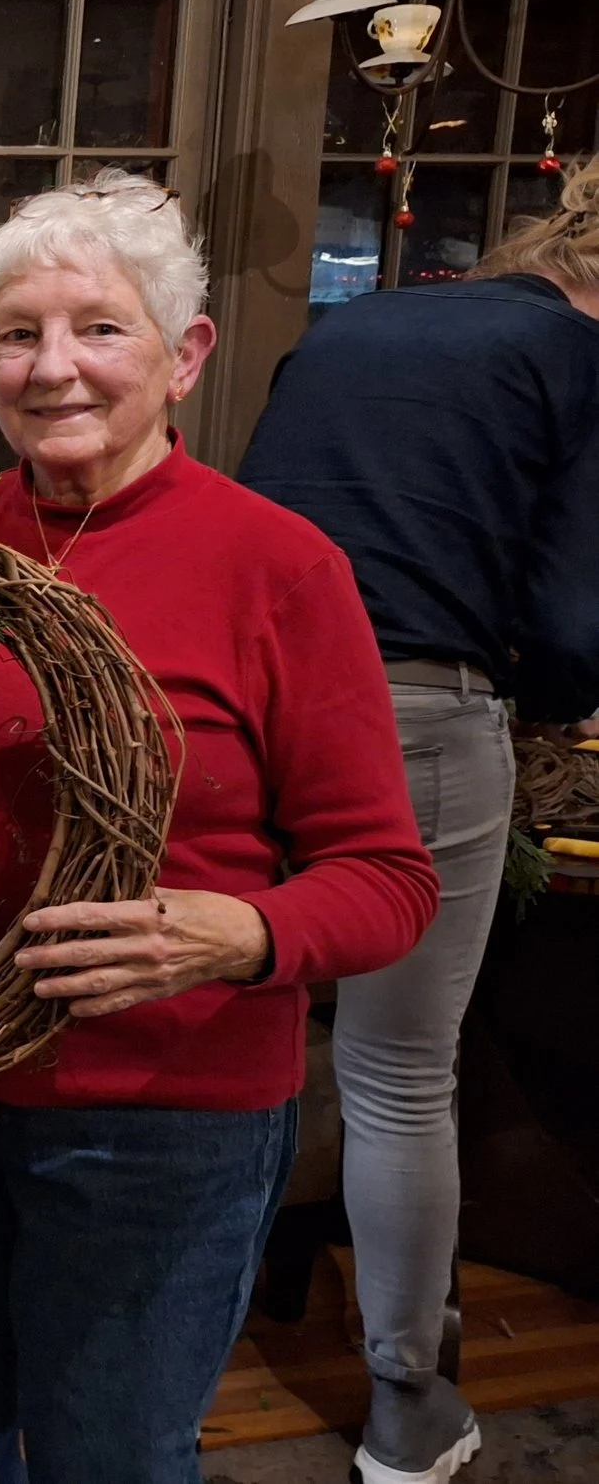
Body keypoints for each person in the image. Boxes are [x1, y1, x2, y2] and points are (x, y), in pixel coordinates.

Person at [0, 172, 441, 1484]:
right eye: (18, 331)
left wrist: (240, 930)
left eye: (99, 328)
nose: (54, 365)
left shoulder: (277, 566)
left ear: (184, 355)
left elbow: (388, 876)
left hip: (161, 1114)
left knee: (107, 1454)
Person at [236, 165, 599, 1484]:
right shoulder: (577, 355)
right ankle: (407, 1406)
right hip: (414, 707)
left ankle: (191, 1315)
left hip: (245, 695)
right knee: (400, 1069)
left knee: (253, 1010)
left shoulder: (362, 322)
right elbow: (573, 626)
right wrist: (537, 700)